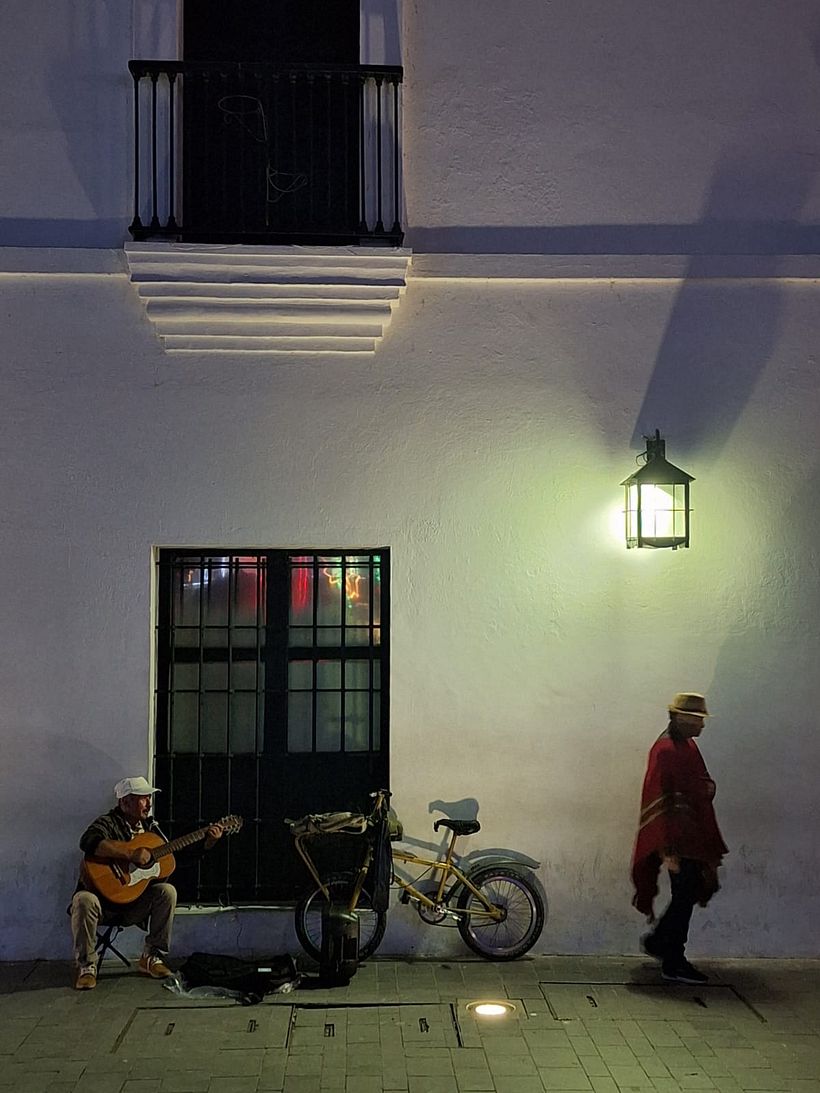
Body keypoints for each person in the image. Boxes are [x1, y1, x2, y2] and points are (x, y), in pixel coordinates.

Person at [69, 776, 223, 990]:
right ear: (125, 803)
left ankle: (151, 957)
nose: (149, 803)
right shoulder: (108, 823)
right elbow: (88, 841)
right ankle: (87, 966)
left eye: (149, 797)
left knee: (166, 891)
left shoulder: (151, 829)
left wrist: (207, 843)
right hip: (103, 905)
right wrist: (131, 853)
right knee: (83, 899)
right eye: (143, 798)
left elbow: (174, 859)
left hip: (134, 904)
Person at [631, 692, 728, 985]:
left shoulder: (687, 747)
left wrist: (707, 788)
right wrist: (667, 851)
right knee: (683, 897)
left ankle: (663, 945)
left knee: (685, 896)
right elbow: (658, 798)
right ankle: (671, 957)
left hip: (691, 838)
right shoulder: (664, 750)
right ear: (682, 718)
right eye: (698, 719)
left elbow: (699, 782)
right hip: (675, 841)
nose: (702, 725)